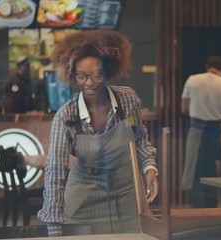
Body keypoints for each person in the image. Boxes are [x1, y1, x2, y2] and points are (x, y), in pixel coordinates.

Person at [37, 29, 158, 236]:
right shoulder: (67, 116)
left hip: (127, 198)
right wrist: (55, 227)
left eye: (97, 75)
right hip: (84, 202)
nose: (90, 83)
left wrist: (150, 168)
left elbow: (139, 139)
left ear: (108, 72)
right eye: (82, 76)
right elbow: (55, 174)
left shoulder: (127, 100)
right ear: (72, 76)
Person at [181, 55, 221, 208]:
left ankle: (196, 207)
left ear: (207, 66)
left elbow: (184, 109)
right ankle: (213, 207)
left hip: (197, 130)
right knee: (215, 172)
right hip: (217, 132)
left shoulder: (192, 80)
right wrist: (218, 117)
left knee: (194, 170)